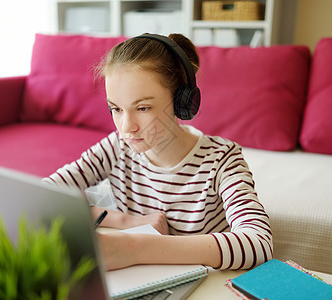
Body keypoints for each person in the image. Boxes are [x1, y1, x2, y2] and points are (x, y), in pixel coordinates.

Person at [42, 33, 273, 271]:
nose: (126, 127)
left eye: (143, 107)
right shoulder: (115, 147)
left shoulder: (222, 160)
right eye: (116, 109)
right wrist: (124, 221)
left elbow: (258, 244)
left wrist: (135, 247)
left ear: (183, 103)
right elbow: (39, 195)